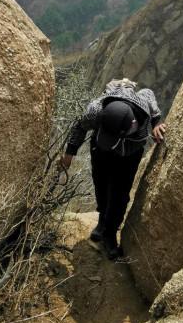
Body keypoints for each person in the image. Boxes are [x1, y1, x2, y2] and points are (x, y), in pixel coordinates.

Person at [58, 78, 166, 259]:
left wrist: (156, 124)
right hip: (100, 149)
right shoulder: (96, 110)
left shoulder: (143, 109)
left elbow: (149, 95)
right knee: (100, 182)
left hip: (129, 154)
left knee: (120, 193)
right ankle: (102, 221)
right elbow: (80, 126)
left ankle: (109, 235)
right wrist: (69, 154)